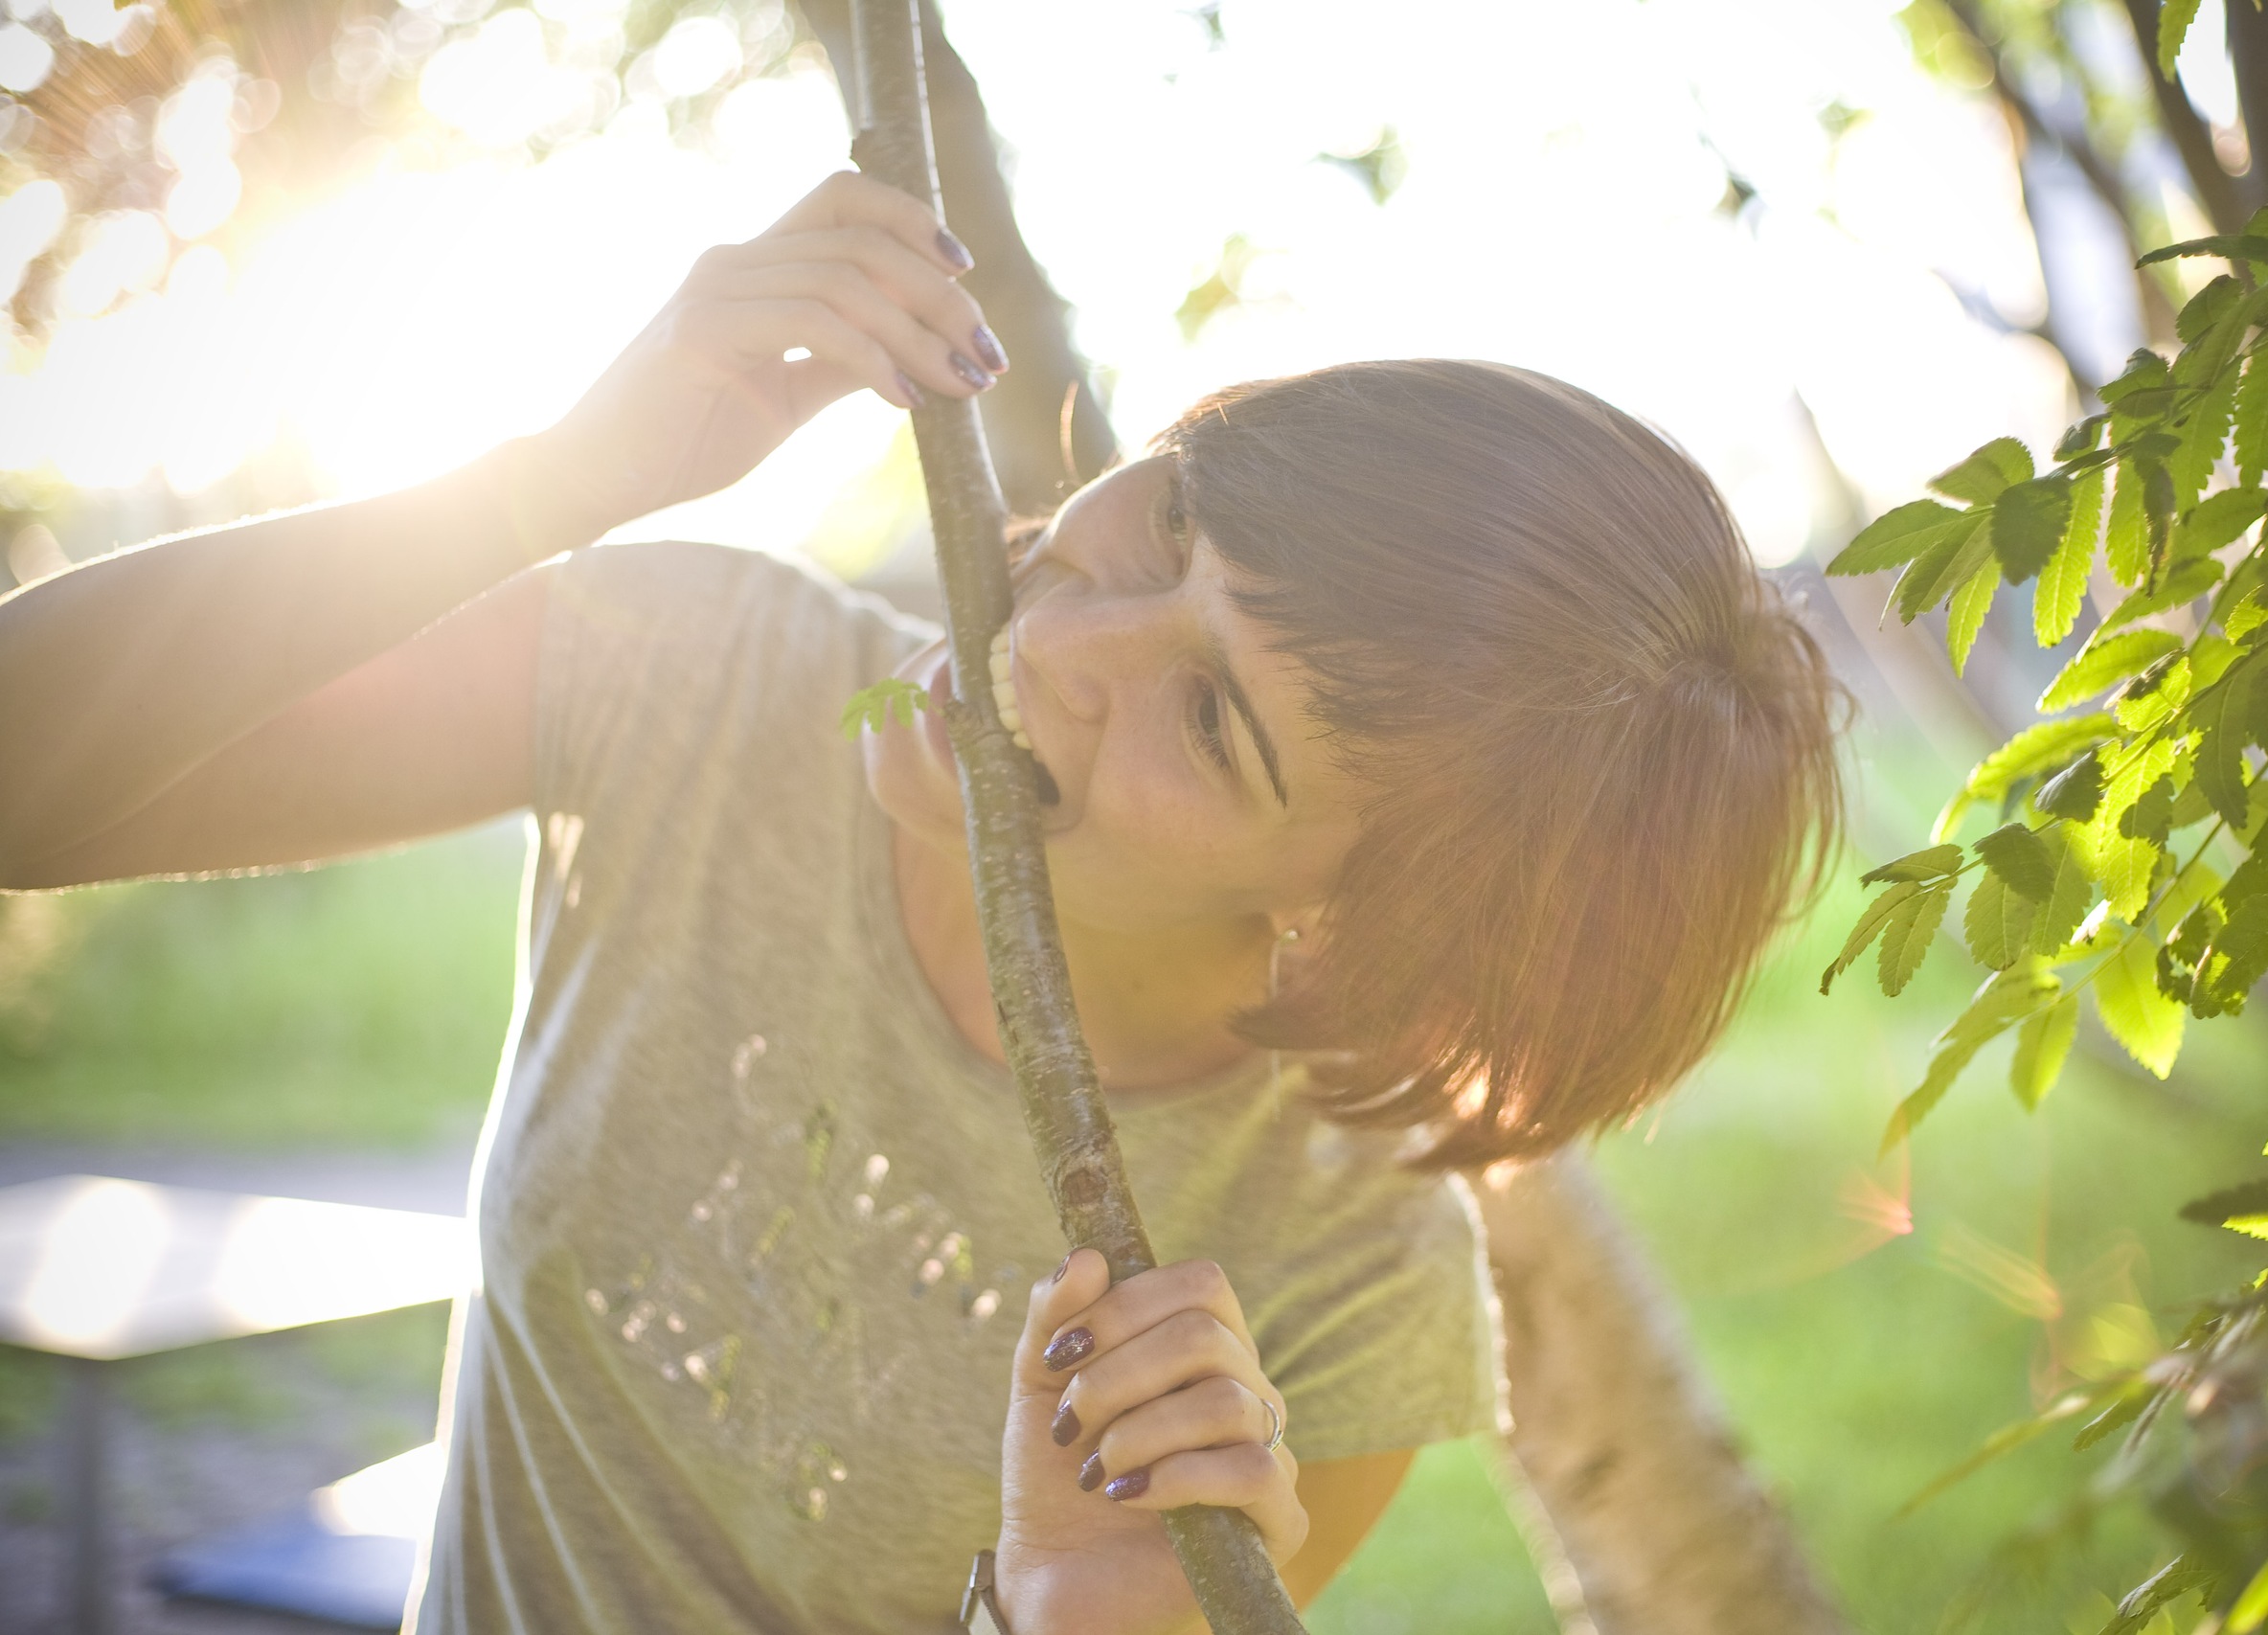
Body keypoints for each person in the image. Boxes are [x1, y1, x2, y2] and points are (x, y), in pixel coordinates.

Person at [0, 171, 1843, 1633]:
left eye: (1212, 720)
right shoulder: (714, 680)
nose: (1062, 645)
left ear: (1348, 925)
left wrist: (1066, 1616)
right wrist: (565, 477)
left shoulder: (1346, 1280)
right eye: (1170, 523)